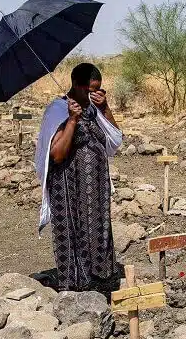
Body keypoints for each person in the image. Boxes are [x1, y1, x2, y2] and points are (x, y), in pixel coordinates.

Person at [34, 63, 123, 294]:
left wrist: (105, 108)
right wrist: (72, 120)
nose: (94, 94)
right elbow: (57, 153)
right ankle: (76, 286)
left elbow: (114, 139)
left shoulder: (94, 108)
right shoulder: (58, 109)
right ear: (76, 85)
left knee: (98, 228)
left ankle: (101, 279)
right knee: (74, 230)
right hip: (69, 185)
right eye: (90, 90)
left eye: (98, 89)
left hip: (96, 184)